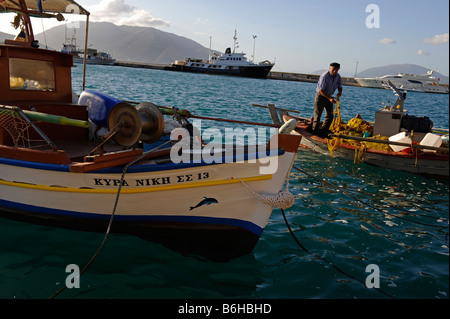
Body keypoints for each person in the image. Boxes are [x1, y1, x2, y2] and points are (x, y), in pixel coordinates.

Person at [311, 62, 343, 137]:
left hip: (329, 97)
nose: (335, 71)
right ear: (330, 69)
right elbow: (320, 90)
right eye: (333, 69)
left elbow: (340, 86)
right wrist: (330, 98)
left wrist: (340, 92)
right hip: (321, 96)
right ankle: (314, 132)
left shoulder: (338, 76)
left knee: (330, 116)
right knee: (318, 115)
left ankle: (323, 132)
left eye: (336, 70)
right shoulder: (325, 76)